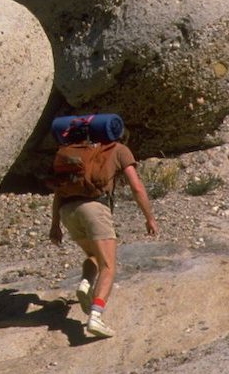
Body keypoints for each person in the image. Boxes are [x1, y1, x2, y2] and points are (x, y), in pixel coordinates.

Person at [48, 134, 158, 339]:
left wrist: (55, 225)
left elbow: (59, 191)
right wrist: (149, 217)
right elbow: (136, 186)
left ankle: (85, 284)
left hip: (68, 211)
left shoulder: (79, 151)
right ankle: (95, 316)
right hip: (95, 209)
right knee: (108, 266)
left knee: (94, 256)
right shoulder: (118, 149)